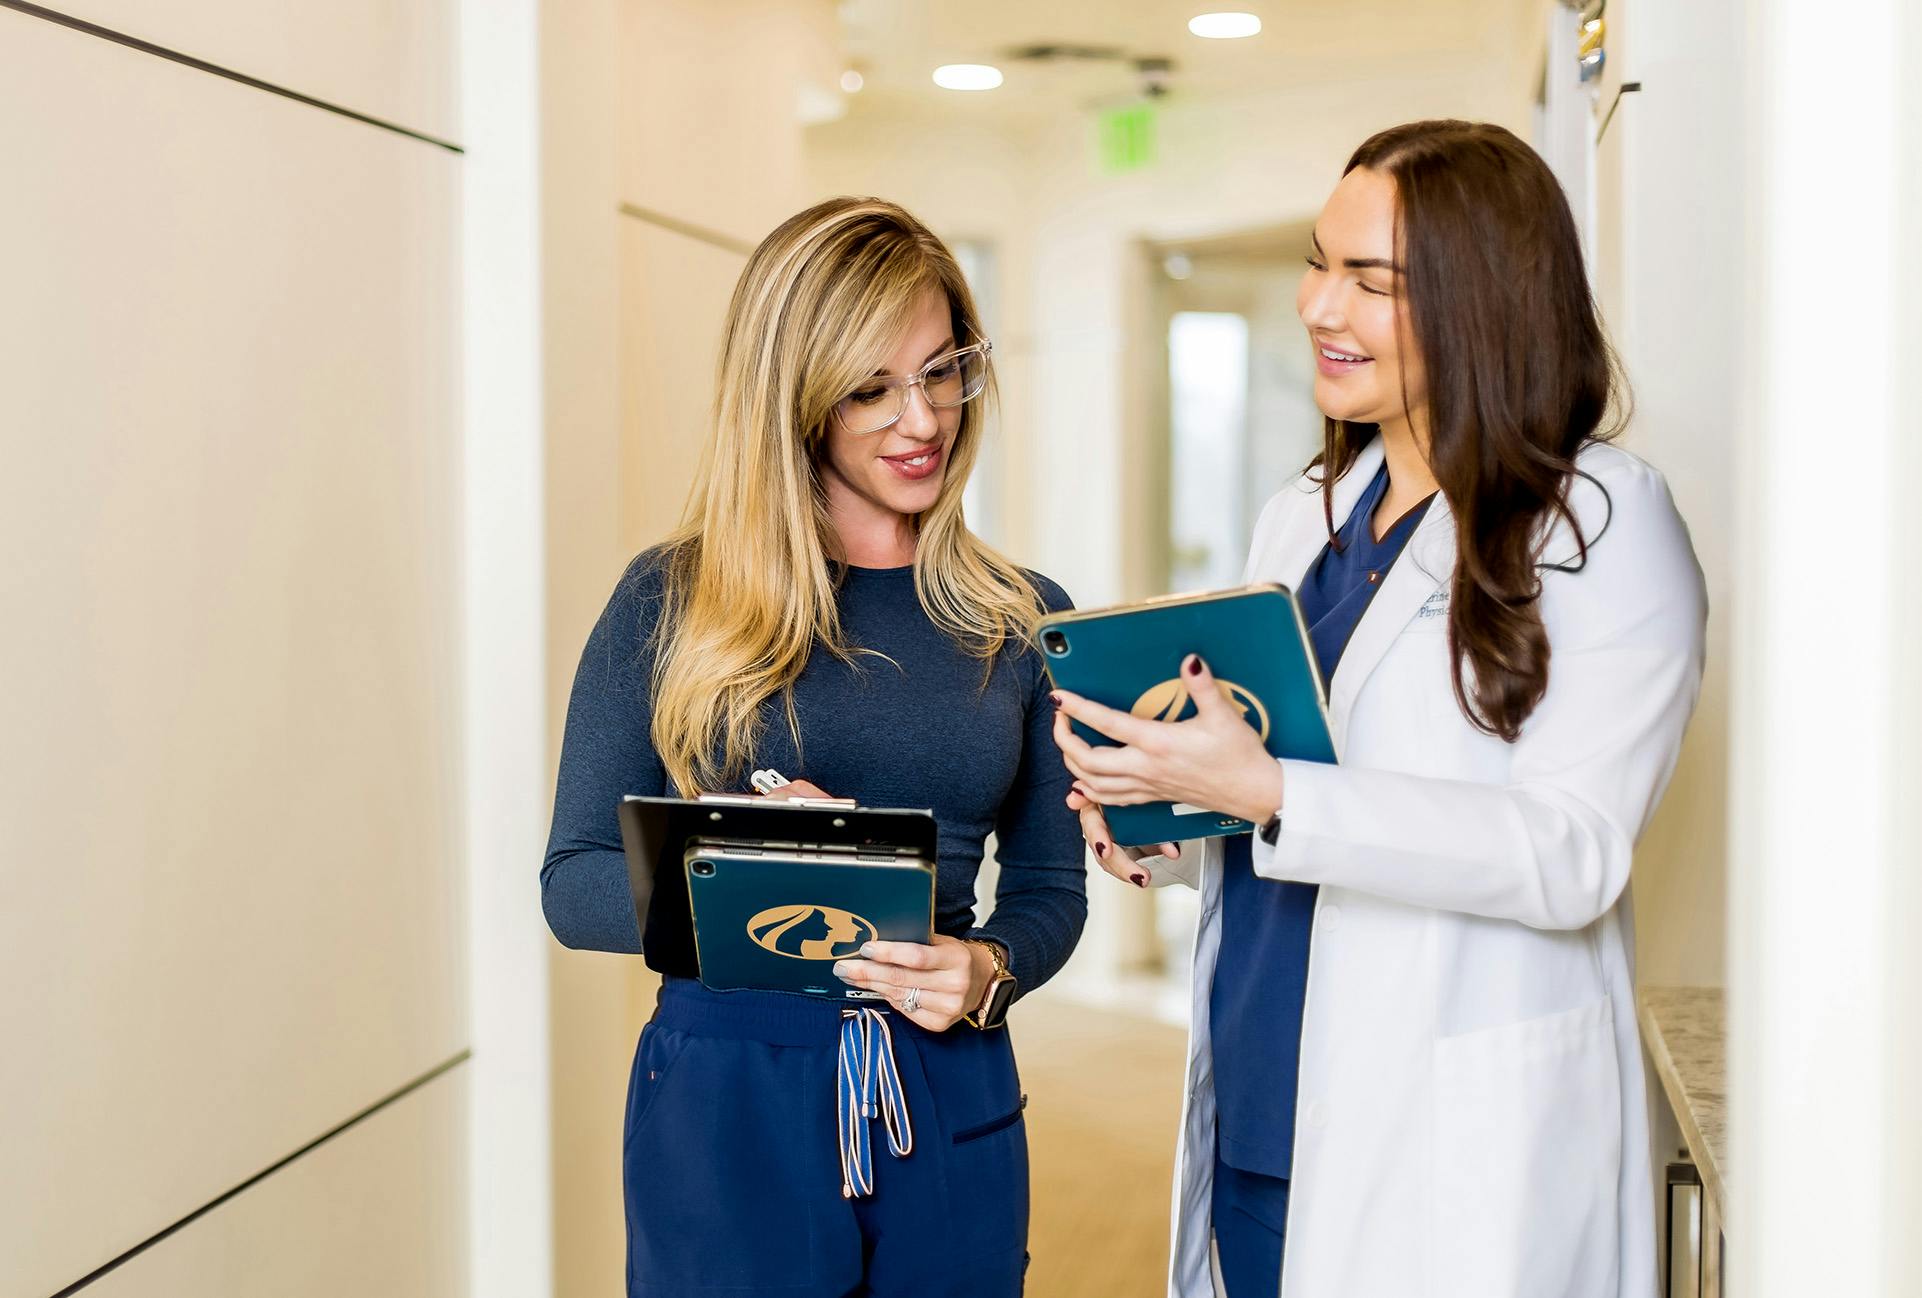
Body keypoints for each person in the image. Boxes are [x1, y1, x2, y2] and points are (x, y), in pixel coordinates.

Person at [1053, 120, 1706, 1298]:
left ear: (1483, 300)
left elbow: (1570, 851)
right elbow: (1291, 805)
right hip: (1267, 1103)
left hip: (1445, 1140)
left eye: (1370, 280)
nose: (1317, 305)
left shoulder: (1599, 525)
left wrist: (1265, 789)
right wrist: (1165, 806)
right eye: (1318, 260)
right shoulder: (1300, 514)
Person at [543, 196, 1084, 1297]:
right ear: (791, 401)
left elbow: (1047, 884)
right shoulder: (670, 600)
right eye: (870, 387)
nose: (921, 418)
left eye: (941, 370)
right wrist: (740, 858)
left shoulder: (1025, 617)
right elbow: (571, 884)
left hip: (948, 1076)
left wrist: (988, 969)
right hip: (728, 1092)